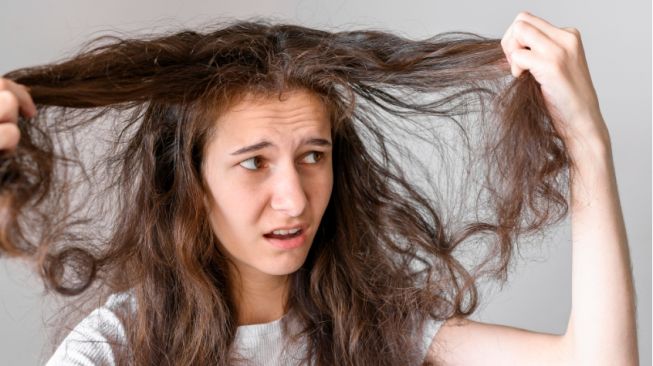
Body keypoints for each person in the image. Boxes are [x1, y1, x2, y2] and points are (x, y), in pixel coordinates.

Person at [0, 11, 638, 365]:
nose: (295, 198)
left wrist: (587, 143)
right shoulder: (112, 352)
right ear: (188, 183)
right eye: (254, 163)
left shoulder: (378, 330)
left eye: (313, 155)